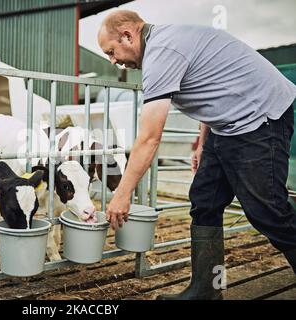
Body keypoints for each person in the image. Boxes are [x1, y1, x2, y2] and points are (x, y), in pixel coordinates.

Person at [98, 9, 296, 300]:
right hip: (227, 125)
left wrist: (123, 193)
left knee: (268, 211)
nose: (114, 61)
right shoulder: (168, 42)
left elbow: (149, 138)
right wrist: (203, 141)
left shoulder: (161, 53)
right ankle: (207, 290)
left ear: (128, 35)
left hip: (260, 118)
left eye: (112, 51)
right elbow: (214, 84)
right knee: (205, 202)